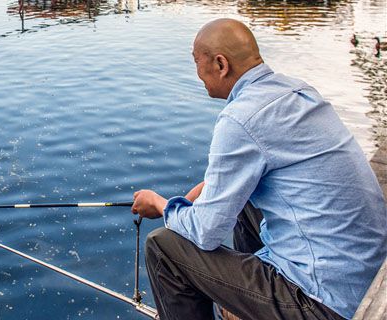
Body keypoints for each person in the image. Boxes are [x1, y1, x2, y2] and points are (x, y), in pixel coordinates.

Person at [130, 18, 387, 320]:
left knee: (164, 248)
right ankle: (246, 306)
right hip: (366, 274)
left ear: (221, 64)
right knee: (244, 200)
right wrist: (208, 190)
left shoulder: (239, 119)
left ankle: (251, 304)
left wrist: (161, 205)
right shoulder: (297, 92)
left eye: (197, 63)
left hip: (325, 303)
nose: (197, 73)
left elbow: (205, 232)